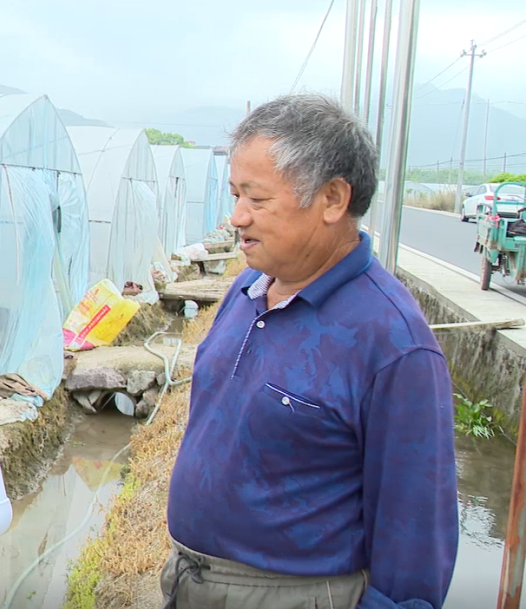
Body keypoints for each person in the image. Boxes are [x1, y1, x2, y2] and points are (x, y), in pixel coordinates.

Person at [161, 94, 458, 609]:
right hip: (191, 580)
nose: (236, 217)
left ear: (333, 200)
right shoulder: (248, 289)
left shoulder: (392, 343)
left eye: (256, 199)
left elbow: (416, 535)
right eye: (234, 195)